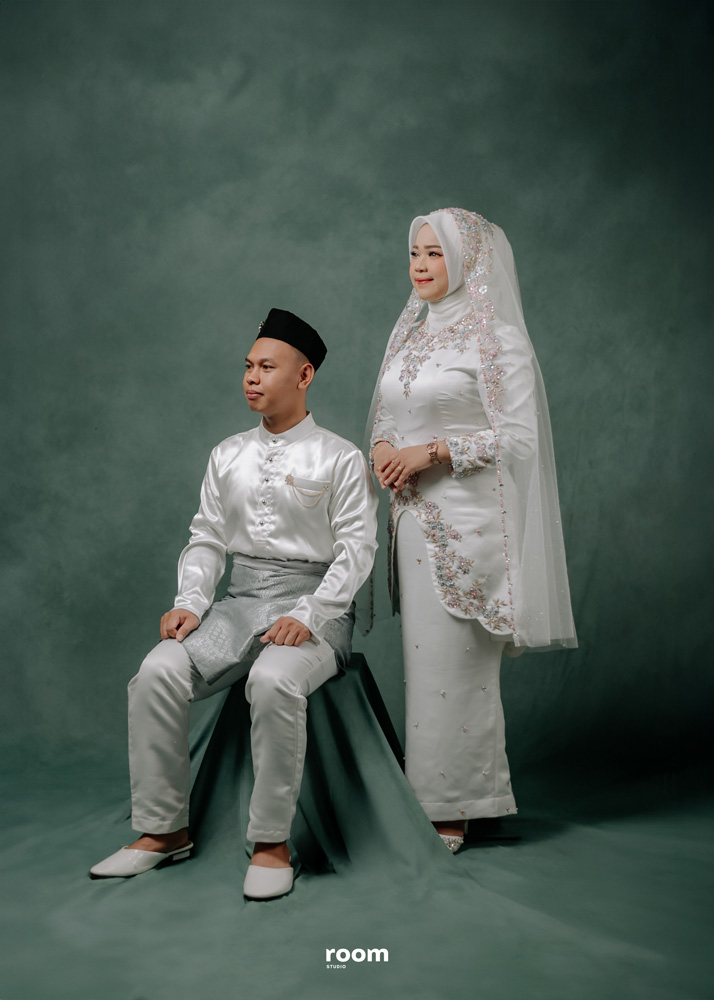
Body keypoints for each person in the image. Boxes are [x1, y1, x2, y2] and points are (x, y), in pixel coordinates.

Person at [91, 308, 378, 899]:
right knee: (157, 671)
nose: (251, 377)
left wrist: (308, 614)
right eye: (248, 366)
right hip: (240, 602)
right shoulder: (226, 454)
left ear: (304, 376)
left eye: (267, 367)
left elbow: (357, 552)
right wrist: (191, 602)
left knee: (273, 681)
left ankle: (271, 844)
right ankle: (163, 831)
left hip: (317, 607)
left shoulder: (340, 457)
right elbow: (206, 538)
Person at [368, 209, 576, 852]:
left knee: (458, 665)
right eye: (415, 253)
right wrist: (383, 448)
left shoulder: (495, 339)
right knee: (425, 663)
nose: (421, 266)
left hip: (469, 525)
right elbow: (388, 413)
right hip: (413, 522)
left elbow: (518, 438)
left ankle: (455, 805)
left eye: (435, 254)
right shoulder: (410, 336)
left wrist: (432, 453)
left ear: (466, 260)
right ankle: (433, 795)